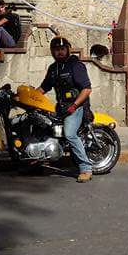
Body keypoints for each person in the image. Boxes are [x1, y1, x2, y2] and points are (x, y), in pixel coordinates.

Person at [38, 36, 94, 183]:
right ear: (52, 52)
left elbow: (87, 89)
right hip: (61, 107)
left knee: (69, 134)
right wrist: (29, 96)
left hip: (77, 106)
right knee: (41, 126)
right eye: (56, 50)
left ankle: (85, 168)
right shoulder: (53, 68)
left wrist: (74, 105)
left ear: (68, 49)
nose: (60, 52)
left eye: (62, 49)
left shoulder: (75, 65)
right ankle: (35, 163)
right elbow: (43, 88)